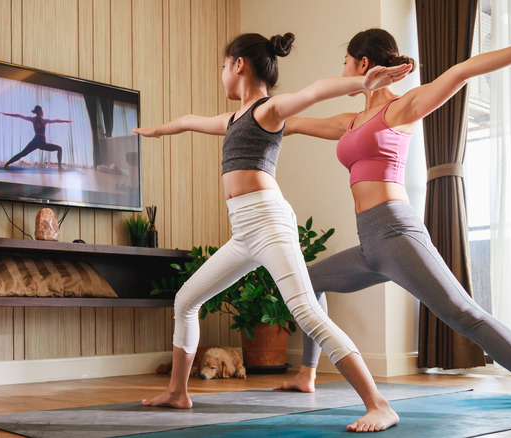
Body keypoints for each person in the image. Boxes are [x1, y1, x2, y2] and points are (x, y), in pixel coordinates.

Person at [277, 13, 511, 430]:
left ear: (363, 64)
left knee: (464, 313)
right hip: (371, 243)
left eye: (346, 62)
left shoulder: (402, 107)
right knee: (309, 281)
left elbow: (462, 71)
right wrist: (242, 115)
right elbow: (286, 122)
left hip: (396, 232)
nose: (343, 70)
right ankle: (307, 375)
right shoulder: (350, 121)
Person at [134, 32, 413, 433]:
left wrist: (364, 83)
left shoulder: (269, 110)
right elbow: (190, 122)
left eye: (223, 67)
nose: (222, 75)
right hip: (243, 231)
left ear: (238, 64)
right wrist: (158, 130)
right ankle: (178, 392)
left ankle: (379, 404)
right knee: (186, 300)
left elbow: (316, 90)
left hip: (269, 222)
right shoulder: (232, 119)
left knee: (307, 313)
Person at [0, 105, 71, 171]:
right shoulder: (40, 120)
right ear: (39, 111)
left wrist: (65, 121)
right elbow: (19, 116)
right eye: (42, 110)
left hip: (36, 142)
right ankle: (59, 167)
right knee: (59, 148)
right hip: (39, 142)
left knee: (22, 154)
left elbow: (56, 120)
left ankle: (6, 164)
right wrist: (7, 114)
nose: (43, 112)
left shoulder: (39, 120)